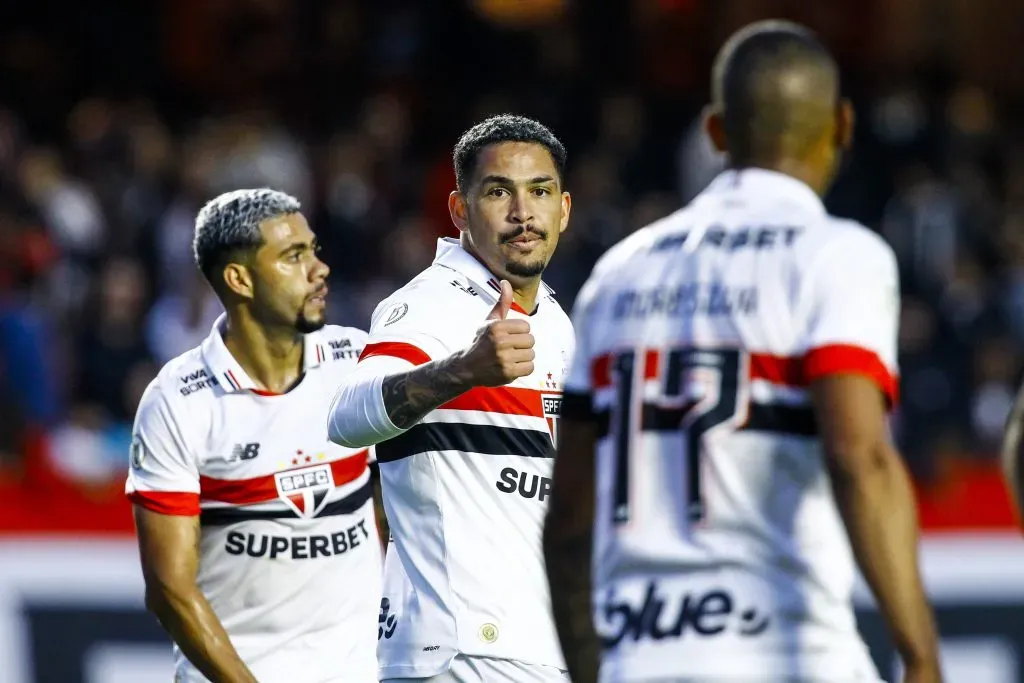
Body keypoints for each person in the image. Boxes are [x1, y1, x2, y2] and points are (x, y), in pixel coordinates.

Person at [543, 21, 943, 683]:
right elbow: (860, 455)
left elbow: (568, 521)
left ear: (716, 132)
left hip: (640, 654)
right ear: (842, 126)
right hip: (786, 653)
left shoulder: (616, 276)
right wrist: (921, 653)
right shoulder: (837, 255)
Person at [327, 114, 574, 683]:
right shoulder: (431, 303)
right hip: (461, 652)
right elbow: (344, 416)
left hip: (534, 646)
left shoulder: (556, 322)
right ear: (460, 211)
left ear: (563, 208)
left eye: (539, 191)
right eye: (498, 192)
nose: (522, 212)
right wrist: (466, 369)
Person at [126, 188, 381, 683]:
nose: (319, 269)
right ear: (239, 279)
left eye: (314, 250)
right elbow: (168, 589)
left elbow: (394, 503)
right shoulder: (178, 402)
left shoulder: (357, 360)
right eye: (293, 256)